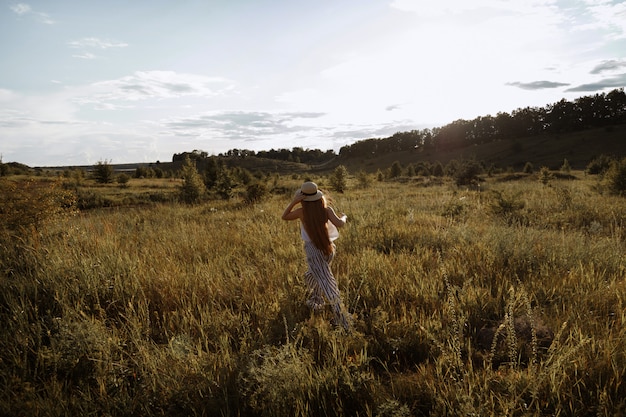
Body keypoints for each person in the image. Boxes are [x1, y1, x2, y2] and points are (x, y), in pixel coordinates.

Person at [281, 181, 350, 330]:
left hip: (313, 251)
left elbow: (284, 216)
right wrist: (344, 217)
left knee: (326, 282)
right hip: (328, 248)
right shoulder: (326, 210)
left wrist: (294, 201)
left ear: (303, 198)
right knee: (312, 276)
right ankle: (316, 301)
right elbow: (340, 224)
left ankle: (342, 317)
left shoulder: (302, 211)